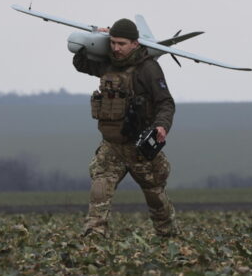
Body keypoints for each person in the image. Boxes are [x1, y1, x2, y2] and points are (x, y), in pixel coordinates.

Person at [73, 18, 179, 238]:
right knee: (99, 191)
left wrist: (162, 126)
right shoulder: (107, 63)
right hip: (112, 146)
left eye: (121, 43)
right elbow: (81, 64)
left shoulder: (148, 68)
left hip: (140, 146)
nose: (116, 48)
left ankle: (169, 238)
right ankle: (94, 238)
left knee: (155, 196)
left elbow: (165, 102)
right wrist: (94, 39)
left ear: (135, 44)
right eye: (112, 43)